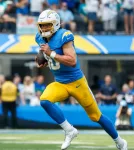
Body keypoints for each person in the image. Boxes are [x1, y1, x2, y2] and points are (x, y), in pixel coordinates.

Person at [35, 9, 127, 150]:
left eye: (48, 25)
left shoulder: (64, 36)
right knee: (45, 101)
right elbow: (43, 54)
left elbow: (72, 61)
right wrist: (42, 59)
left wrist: (51, 53)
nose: (44, 28)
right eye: (42, 25)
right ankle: (69, 130)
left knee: (96, 117)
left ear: (56, 24)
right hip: (60, 82)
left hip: (77, 82)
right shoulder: (40, 38)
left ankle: (120, 141)